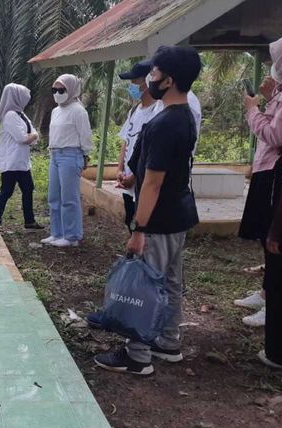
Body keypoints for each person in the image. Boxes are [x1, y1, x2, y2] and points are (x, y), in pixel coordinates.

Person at [94, 46, 202, 376]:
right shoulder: (183, 116)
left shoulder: (165, 123)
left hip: (158, 218)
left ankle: (137, 354)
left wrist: (139, 230)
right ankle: (167, 342)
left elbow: (153, 183)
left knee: (144, 283)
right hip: (178, 215)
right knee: (169, 281)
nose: (148, 80)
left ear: (168, 81)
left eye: (153, 74)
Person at [243, 33, 282, 369]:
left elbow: (275, 134)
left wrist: (252, 110)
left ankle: (272, 303)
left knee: (272, 238)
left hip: (276, 173)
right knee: (265, 236)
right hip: (267, 168)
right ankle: (266, 296)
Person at [42, 74, 93, 247]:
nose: (57, 93)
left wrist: (85, 155)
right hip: (55, 155)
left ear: (71, 89)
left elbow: (85, 136)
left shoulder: (78, 111)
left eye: (61, 90)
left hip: (71, 155)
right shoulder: (56, 111)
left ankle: (72, 236)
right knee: (54, 196)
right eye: (54, 90)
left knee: (69, 198)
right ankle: (57, 233)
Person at [0, 84, 43, 230]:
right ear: (17, 97)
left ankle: (29, 221)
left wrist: (32, 136)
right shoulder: (10, 116)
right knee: (7, 191)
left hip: (21, 161)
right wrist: (33, 135)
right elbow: (23, 138)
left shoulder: (21, 114)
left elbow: (33, 136)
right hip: (11, 161)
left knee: (28, 188)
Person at [116, 61, 160, 231]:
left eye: (135, 82)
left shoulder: (157, 111)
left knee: (142, 224)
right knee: (129, 221)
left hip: (141, 179)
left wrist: (135, 176)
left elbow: (149, 151)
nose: (132, 86)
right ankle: (132, 256)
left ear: (148, 81)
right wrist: (120, 170)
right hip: (127, 181)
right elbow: (126, 142)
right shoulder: (134, 111)